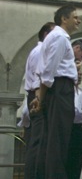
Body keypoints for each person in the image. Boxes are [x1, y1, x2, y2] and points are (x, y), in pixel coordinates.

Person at [31, 5, 81, 178]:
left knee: (50, 139)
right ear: (64, 19)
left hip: (56, 89)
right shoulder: (60, 37)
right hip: (60, 89)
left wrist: (40, 96)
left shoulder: (54, 37)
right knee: (58, 139)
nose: (78, 20)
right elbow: (48, 72)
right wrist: (41, 98)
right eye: (75, 17)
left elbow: (45, 70)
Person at [24, 22, 55, 179]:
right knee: (38, 142)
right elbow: (38, 79)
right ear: (46, 35)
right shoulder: (39, 52)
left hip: (39, 96)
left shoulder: (41, 51)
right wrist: (39, 99)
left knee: (42, 141)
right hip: (38, 97)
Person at [66, 39, 82, 179]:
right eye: (77, 74)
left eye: (81, 75)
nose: (79, 77)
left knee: (76, 162)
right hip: (66, 127)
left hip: (78, 129)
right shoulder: (66, 91)